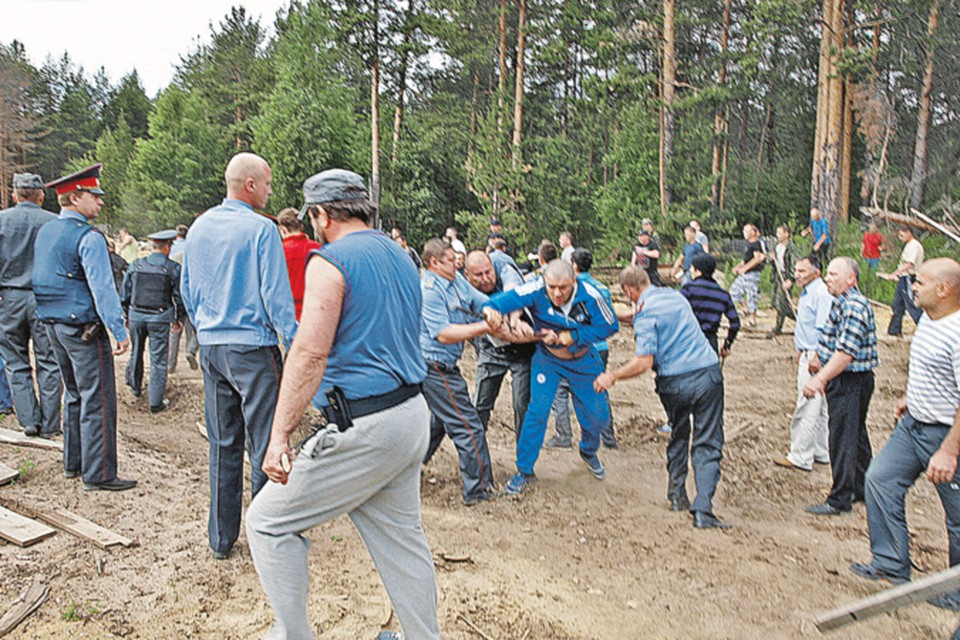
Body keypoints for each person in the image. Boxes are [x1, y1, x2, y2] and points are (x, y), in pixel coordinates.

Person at [246, 168, 440, 640]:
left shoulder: (329, 262)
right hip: (411, 414)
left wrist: (279, 436)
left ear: (320, 214)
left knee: (267, 523)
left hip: (367, 424)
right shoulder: (401, 255)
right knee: (402, 541)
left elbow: (310, 351)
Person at [181, 152, 297, 559]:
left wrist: (206, 328)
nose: (269, 189)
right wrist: (294, 339)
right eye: (266, 183)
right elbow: (275, 294)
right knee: (267, 443)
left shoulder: (198, 227)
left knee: (222, 442)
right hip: (252, 348)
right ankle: (268, 535)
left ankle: (221, 539)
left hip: (213, 347)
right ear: (250, 185)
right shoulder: (261, 230)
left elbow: (188, 289)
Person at [848, 258, 960, 597]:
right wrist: (912, 398)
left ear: (944, 289)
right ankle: (891, 562)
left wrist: (949, 450)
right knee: (880, 480)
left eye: (920, 282)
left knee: (957, 518)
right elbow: (932, 371)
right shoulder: (929, 318)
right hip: (913, 427)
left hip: (946, 435)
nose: (913, 287)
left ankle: (955, 592)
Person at [595, 265, 730, 529]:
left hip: (675, 383)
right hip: (707, 374)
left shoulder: (645, 315)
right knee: (708, 441)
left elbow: (644, 361)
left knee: (679, 433)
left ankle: (677, 495)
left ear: (628, 290)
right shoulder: (675, 296)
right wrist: (619, 316)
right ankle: (703, 508)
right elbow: (642, 314)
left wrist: (613, 376)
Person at [33, 163, 136, 491]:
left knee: (74, 393)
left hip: (53, 323)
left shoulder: (47, 230)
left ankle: (73, 463)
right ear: (75, 197)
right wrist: (119, 331)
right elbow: (103, 289)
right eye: (95, 195)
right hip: (83, 328)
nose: (100, 202)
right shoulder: (88, 237)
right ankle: (99, 474)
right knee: (99, 399)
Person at [483, 259, 619, 495]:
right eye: (552, 287)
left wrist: (570, 336)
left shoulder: (592, 296)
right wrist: (491, 312)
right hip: (548, 361)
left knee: (598, 416)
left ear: (574, 281)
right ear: (544, 282)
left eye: (563, 288)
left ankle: (588, 450)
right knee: (537, 411)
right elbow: (498, 302)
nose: (557, 293)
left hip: (584, 361)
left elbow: (610, 326)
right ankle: (524, 470)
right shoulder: (535, 288)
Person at [420, 239, 514, 505]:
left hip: (443, 363)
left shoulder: (456, 280)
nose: (456, 263)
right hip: (434, 366)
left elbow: (478, 300)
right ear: (434, 263)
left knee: (440, 421)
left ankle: (408, 467)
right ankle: (478, 490)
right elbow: (444, 334)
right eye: (451, 259)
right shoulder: (430, 291)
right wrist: (486, 328)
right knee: (468, 425)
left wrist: (487, 310)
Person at [803, 257, 879, 515]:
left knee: (843, 437)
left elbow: (846, 353)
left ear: (851, 279)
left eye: (834, 274)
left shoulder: (854, 306)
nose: (827, 278)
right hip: (847, 379)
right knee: (855, 435)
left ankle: (839, 499)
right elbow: (833, 341)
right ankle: (861, 488)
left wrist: (820, 378)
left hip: (850, 380)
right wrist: (819, 357)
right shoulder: (842, 302)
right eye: (829, 274)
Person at [0, 173, 62, 438]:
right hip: (44, 298)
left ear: (15, 195)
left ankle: (28, 420)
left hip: (10, 298)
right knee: (49, 361)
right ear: (41, 196)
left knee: (15, 361)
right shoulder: (54, 222)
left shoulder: (2, 221)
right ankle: (50, 425)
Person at [547, 248, 619, 450]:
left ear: (574, 266)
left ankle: (563, 436)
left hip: (576, 346)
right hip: (600, 346)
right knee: (599, 389)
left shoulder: (569, 289)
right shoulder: (601, 288)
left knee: (560, 390)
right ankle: (609, 438)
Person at [772, 255, 834, 472]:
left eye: (802, 271)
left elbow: (823, 327)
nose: (797, 275)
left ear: (816, 272)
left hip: (815, 356)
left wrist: (815, 355)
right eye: (796, 271)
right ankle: (821, 450)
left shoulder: (820, 293)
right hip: (808, 352)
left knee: (807, 403)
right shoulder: (810, 292)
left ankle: (800, 455)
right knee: (820, 405)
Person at [463, 250, 532, 441]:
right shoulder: (464, 294)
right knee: (479, 405)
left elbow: (513, 289)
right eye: (479, 275)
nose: (486, 278)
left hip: (524, 352)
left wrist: (515, 314)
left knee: (522, 405)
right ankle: (475, 457)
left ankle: (524, 464)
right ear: (467, 276)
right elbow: (500, 333)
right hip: (491, 348)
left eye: (488, 272)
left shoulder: (502, 263)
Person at [120, 229, 186, 413]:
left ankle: (135, 387)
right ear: (166, 247)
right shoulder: (173, 268)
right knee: (158, 360)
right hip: (160, 317)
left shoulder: (136, 265)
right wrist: (179, 317)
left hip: (136, 316)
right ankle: (155, 402)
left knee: (136, 351)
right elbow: (178, 297)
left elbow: (125, 293)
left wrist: (125, 314)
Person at [680, 253, 740, 356]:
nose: (691, 271)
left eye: (692, 268)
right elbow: (735, 323)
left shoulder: (688, 289)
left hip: (688, 340)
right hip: (710, 343)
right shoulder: (723, 294)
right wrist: (727, 345)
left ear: (698, 271)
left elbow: (674, 313)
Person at [878, 225, 924, 338]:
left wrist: (895, 273)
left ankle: (925, 327)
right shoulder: (909, 245)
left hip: (909, 277)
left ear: (909, 232)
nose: (900, 237)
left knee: (912, 304)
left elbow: (909, 264)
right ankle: (894, 329)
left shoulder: (914, 245)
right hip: (903, 278)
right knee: (897, 305)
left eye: (902, 234)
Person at [277, 207, 321, 320]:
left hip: (288, 316)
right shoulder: (317, 249)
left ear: (283, 229)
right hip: (315, 313)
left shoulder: (278, 252)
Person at [729, 223, 766, 327]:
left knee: (751, 295)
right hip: (745, 274)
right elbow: (745, 260)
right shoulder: (748, 245)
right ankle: (745, 309)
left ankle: (753, 319)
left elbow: (757, 258)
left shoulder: (756, 244)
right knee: (734, 290)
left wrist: (745, 268)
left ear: (753, 232)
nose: (744, 233)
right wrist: (738, 267)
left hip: (753, 274)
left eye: (746, 231)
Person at [768, 224, 800, 337]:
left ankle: (778, 327)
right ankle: (801, 320)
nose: (778, 235)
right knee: (778, 303)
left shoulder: (792, 247)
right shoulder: (776, 246)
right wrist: (771, 258)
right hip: (777, 276)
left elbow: (794, 263)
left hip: (786, 276)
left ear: (787, 234)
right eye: (777, 233)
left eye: (780, 233)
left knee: (782, 303)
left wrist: (791, 279)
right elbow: (771, 260)